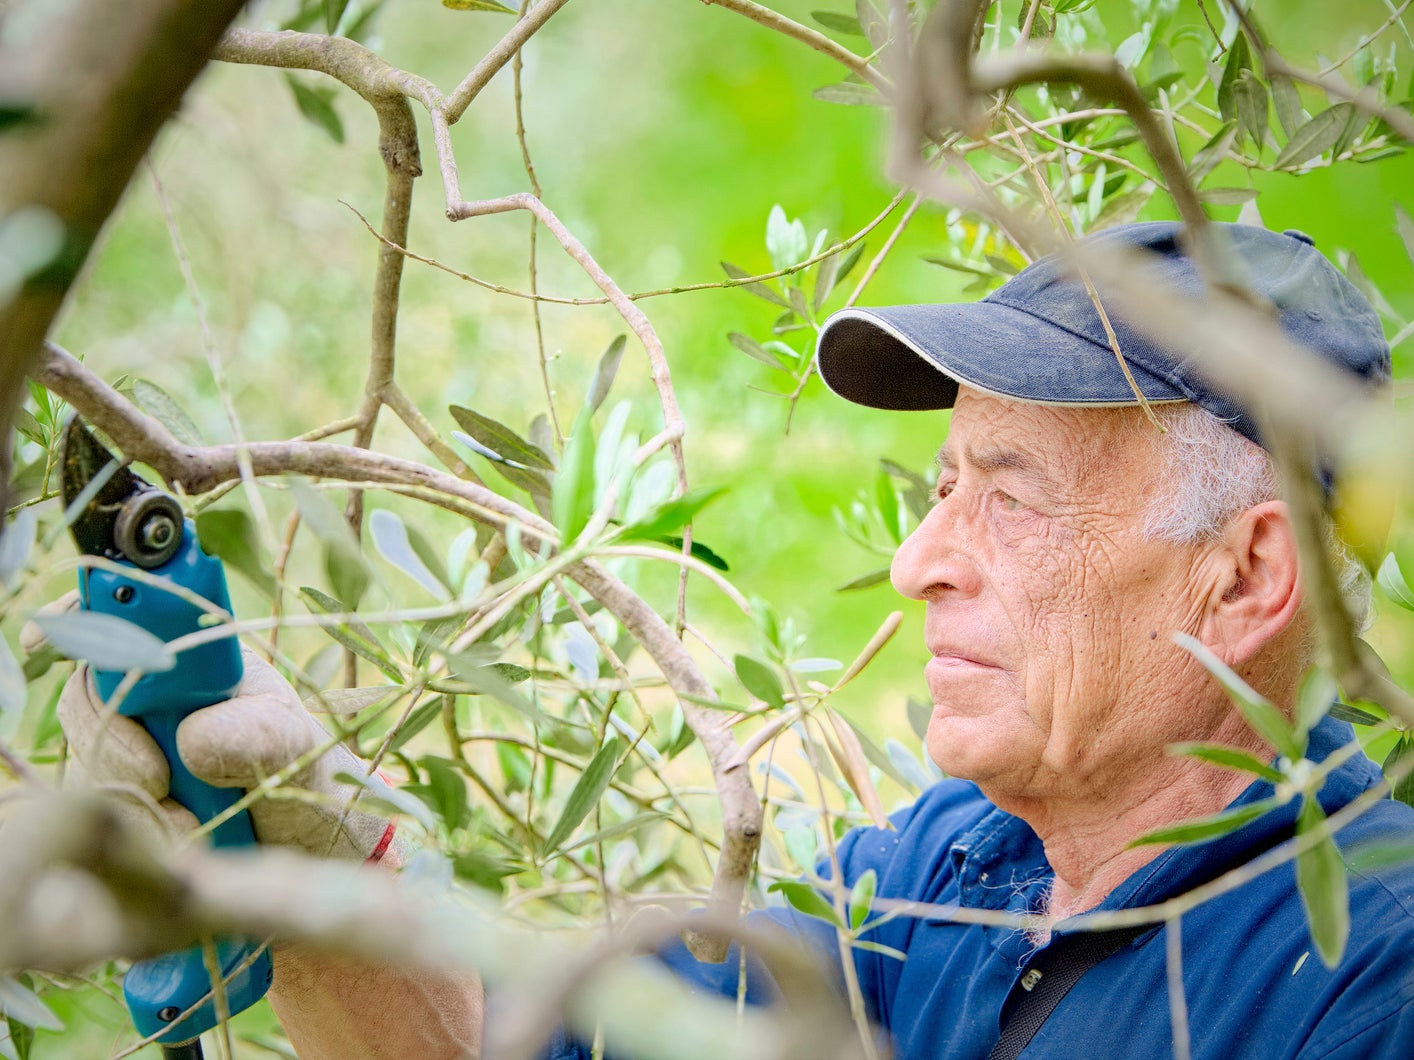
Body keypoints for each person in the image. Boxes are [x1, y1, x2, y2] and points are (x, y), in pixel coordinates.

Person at [52, 221, 1414, 1059]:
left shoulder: (1371, 979)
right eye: (945, 490)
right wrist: (324, 869)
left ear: (1244, 578)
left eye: (1010, 500)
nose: (917, 564)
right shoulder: (940, 871)